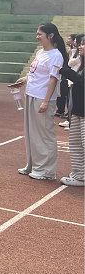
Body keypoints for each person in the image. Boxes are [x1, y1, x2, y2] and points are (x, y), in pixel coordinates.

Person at [12, 22, 68, 181]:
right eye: (37, 34)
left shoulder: (56, 55)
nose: (37, 37)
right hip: (31, 94)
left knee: (44, 134)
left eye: (40, 34)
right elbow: (34, 73)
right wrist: (24, 79)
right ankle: (33, 165)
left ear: (51, 36)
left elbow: (53, 79)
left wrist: (46, 101)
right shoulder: (40, 52)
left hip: (43, 97)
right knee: (32, 132)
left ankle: (46, 171)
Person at [59, 35, 83, 186]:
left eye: (83, 44)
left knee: (83, 144)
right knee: (75, 143)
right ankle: (79, 173)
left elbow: (82, 81)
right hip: (77, 111)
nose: (80, 46)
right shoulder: (81, 65)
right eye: (80, 44)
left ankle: (81, 175)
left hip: (83, 112)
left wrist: (65, 71)